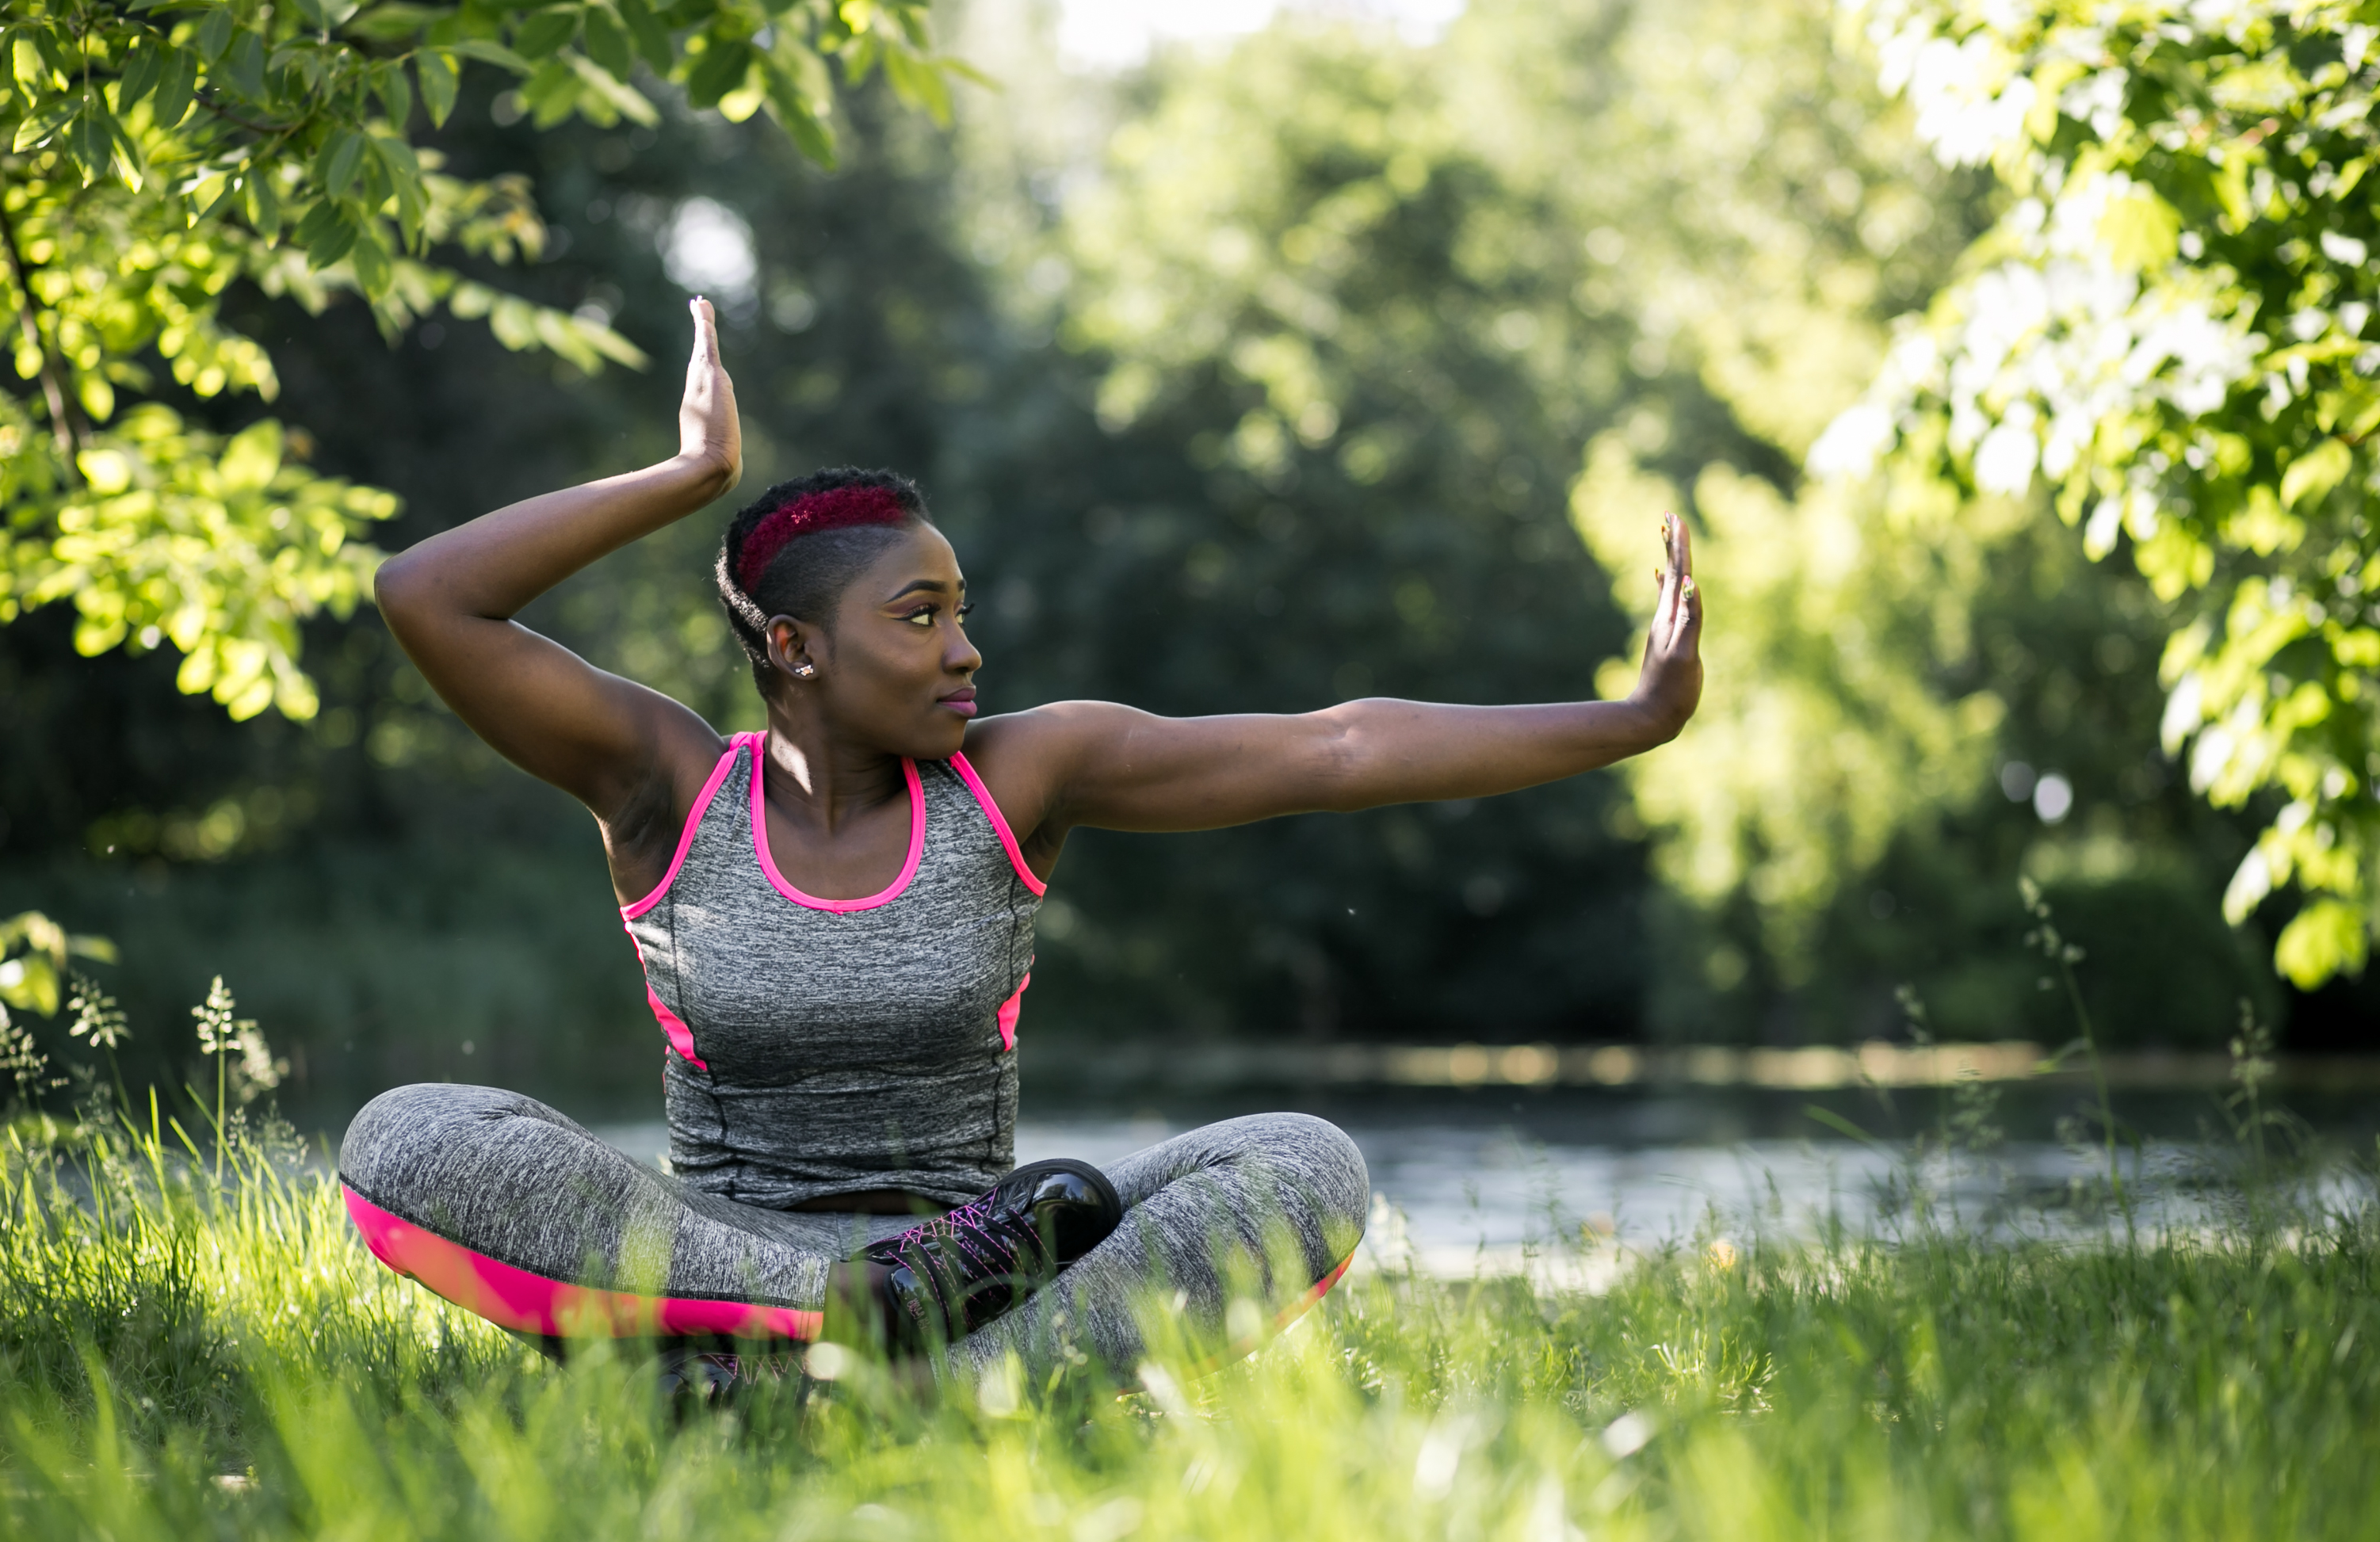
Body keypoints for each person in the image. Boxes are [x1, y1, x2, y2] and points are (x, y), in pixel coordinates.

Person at [340, 299, 1704, 1395]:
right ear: (798, 648)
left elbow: (1334, 746)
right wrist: (687, 477)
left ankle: (854, 1378)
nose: (966, 647)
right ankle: (846, 1336)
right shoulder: (666, 785)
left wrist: (1626, 719)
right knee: (410, 1133)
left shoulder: (1019, 775)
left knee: (1303, 1162)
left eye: (963, 609)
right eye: (920, 616)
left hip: (985, 1257)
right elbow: (430, 597)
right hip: (722, 1250)